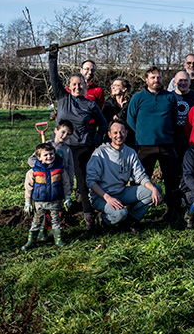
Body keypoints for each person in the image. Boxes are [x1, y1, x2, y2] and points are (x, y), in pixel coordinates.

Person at [47, 48, 108, 231]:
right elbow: (53, 77)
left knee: (82, 182)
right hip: (60, 146)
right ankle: (53, 215)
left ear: (85, 86)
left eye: (80, 84)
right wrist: (53, 56)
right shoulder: (63, 98)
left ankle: (88, 215)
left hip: (82, 147)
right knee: (56, 178)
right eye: (74, 84)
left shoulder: (90, 104)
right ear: (69, 85)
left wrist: (96, 138)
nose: (77, 87)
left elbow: (103, 125)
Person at [126, 66, 181, 220]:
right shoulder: (138, 97)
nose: (156, 80)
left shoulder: (169, 97)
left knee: (171, 180)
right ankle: (135, 214)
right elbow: (130, 119)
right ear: (146, 80)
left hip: (166, 144)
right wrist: (143, 134)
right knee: (140, 180)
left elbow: (174, 118)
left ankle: (173, 212)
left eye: (158, 77)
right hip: (145, 145)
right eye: (152, 77)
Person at [87, 122, 164, 231]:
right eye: (115, 133)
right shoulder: (100, 153)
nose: (119, 135)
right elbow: (91, 181)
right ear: (109, 134)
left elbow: (140, 175)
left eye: (122, 132)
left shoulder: (130, 152)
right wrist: (108, 198)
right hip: (102, 196)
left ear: (126, 133)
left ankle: (131, 220)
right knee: (120, 213)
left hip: (121, 191)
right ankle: (103, 220)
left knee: (155, 190)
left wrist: (153, 189)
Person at [21, 143, 72, 249]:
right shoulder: (33, 172)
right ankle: (31, 241)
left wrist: (67, 197)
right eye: (46, 155)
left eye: (51, 154)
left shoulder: (60, 170)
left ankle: (58, 240)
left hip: (55, 200)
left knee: (55, 220)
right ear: (39, 157)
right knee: (36, 221)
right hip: (40, 202)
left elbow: (66, 184)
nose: (49, 157)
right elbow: (28, 187)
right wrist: (27, 202)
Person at [171, 70, 194, 163]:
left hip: (191, 137)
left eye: (186, 80)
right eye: (180, 80)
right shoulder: (169, 97)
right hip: (173, 138)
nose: (183, 83)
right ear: (174, 82)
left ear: (190, 82)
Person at [102, 78, 133, 146]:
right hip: (113, 139)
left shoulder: (131, 102)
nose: (113, 87)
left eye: (116, 85)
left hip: (129, 138)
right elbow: (106, 122)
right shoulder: (108, 104)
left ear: (124, 89)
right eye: (112, 85)